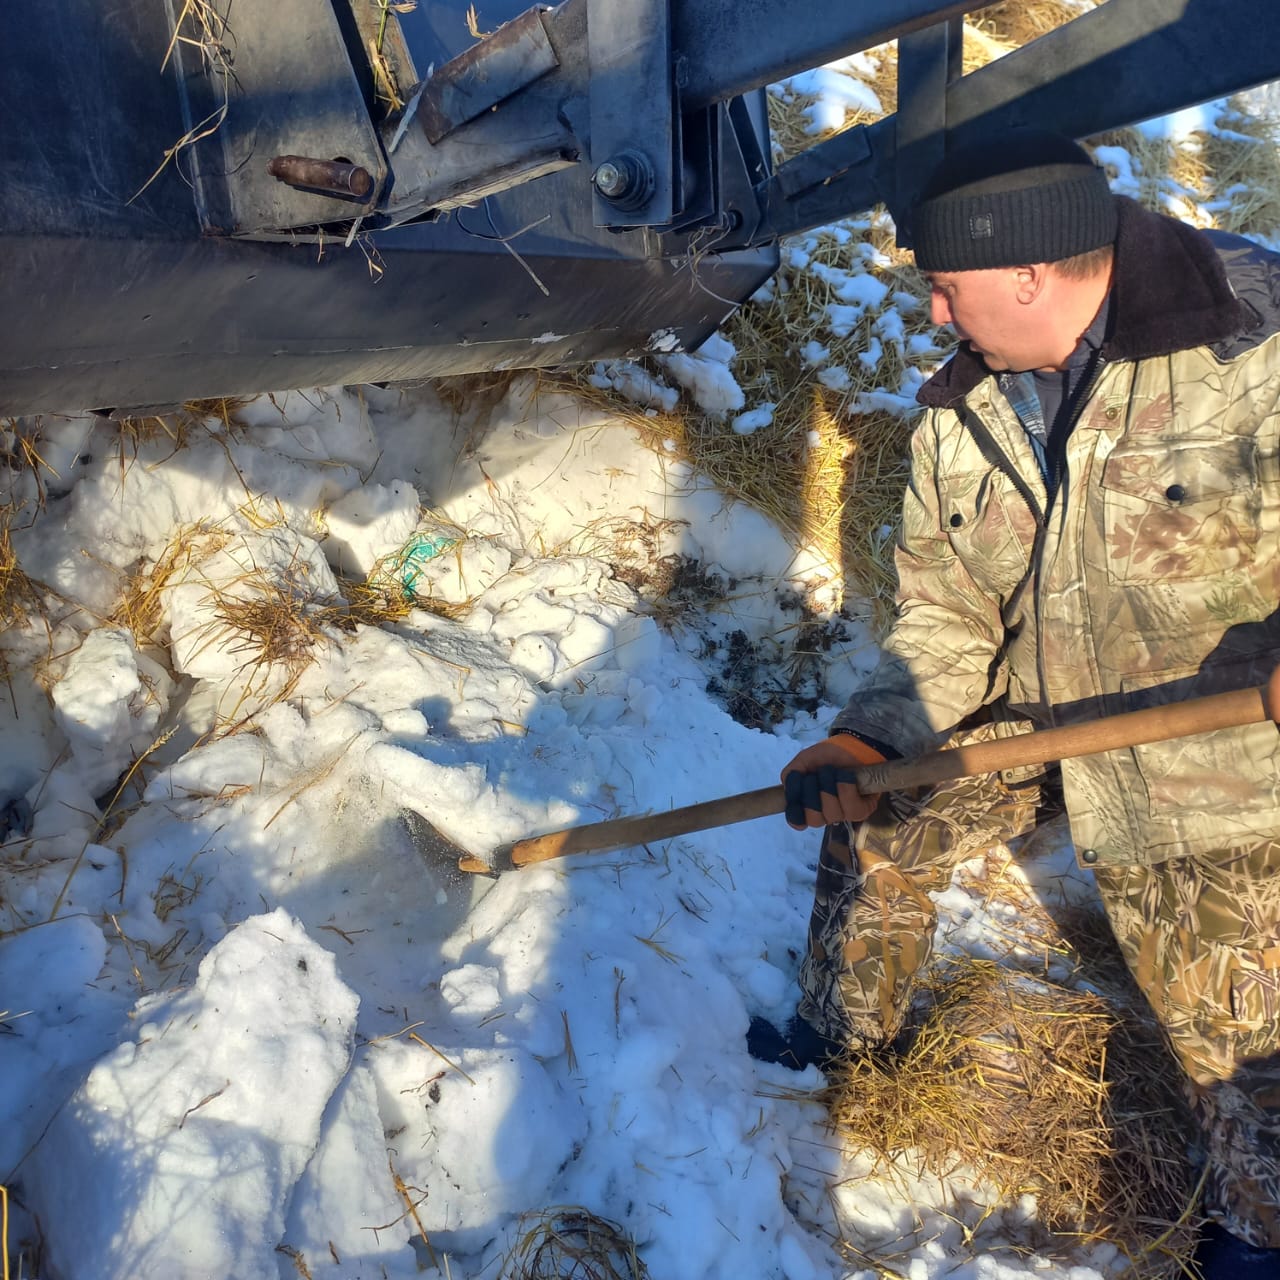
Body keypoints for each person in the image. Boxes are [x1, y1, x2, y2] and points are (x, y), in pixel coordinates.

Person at [748, 128, 1280, 1275]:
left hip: (1222, 751)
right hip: (1043, 713)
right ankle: (828, 1051)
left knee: (1239, 1038)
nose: (932, 316)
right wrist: (867, 735)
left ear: (1029, 272)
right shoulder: (963, 406)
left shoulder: (1251, 335)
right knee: (875, 815)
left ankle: (1253, 1235)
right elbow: (948, 609)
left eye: (944, 286)